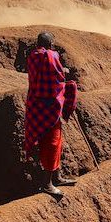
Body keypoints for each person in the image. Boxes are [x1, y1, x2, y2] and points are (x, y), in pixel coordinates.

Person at [24, 31, 77, 197]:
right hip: (49, 106)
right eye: (52, 43)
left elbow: (46, 76)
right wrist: (66, 77)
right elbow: (57, 76)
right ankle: (48, 184)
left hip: (36, 105)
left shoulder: (32, 56)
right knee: (51, 144)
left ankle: (57, 176)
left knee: (55, 141)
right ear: (49, 44)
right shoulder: (50, 55)